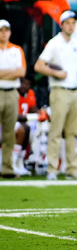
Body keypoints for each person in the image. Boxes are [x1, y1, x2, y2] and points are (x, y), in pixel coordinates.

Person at [34, 11, 77, 180]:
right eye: (68, 23)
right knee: (56, 131)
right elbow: (39, 66)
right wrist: (55, 73)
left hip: (75, 90)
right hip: (59, 90)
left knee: (73, 133)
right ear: (61, 25)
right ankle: (52, 168)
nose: (71, 26)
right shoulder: (54, 43)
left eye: (73, 23)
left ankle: (72, 169)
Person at [0, 19, 26, 178]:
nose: (3, 33)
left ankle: (7, 168)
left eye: (6, 30)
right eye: (1, 30)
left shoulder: (17, 50)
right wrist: (11, 72)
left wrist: (3, 73)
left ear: (9, 32)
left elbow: (21, 72)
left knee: (9, 132)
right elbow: (15, 72)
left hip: (11, 92)